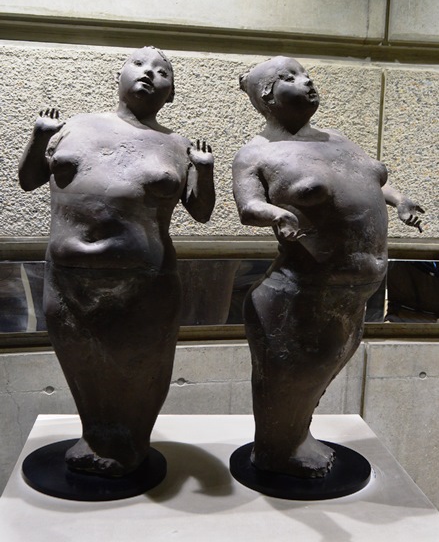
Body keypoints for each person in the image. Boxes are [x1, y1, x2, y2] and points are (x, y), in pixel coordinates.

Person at [18, 46, 215, 477]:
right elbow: (29, 179)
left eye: (162, 71)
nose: (149, 73)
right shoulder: (73, 127)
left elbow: (201, 211)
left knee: (141, 368)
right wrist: (39, 135)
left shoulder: (177, 145)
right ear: (119, 77)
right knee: (84, 368)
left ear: (171, 93)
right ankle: (94, 436)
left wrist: (204, 169)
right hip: (69, 279)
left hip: (148, 283)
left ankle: (133, 443)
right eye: (139, 65)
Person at [233, 56, 424, 478]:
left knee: (313, 381)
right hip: (298, 295)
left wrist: (400, 200)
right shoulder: (257, 153)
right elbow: (248, 206)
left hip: (353, 294)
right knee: (290, 383)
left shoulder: (339, 141)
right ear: (267, 96)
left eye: (305, 73)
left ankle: (293, 440)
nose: (306, 81)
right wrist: (277, 214)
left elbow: (372, 179)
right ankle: (277, 453)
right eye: (289, 77)